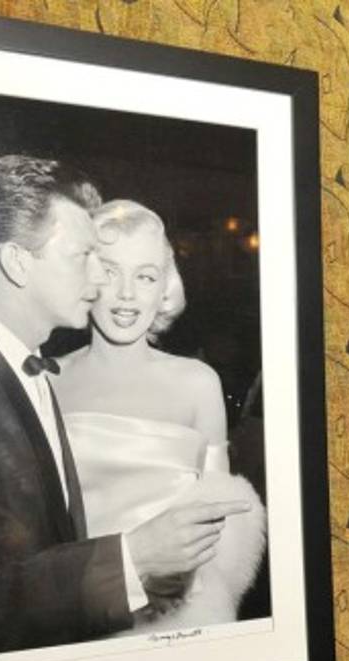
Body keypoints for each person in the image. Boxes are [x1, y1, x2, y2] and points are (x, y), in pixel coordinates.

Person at [0, 156, 249, 661]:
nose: (103, 281)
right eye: (85, 256)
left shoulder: (29, 372)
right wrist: (132, 560)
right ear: (18, 263)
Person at [54, 200, 266, 631]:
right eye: (111, 272)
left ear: (164, 287)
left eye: (145, 276)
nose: (127, 294)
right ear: (87, 275)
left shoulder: (198, 383)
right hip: (75, 613)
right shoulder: (48, 381)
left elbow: (224, 523)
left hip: (184, 617)